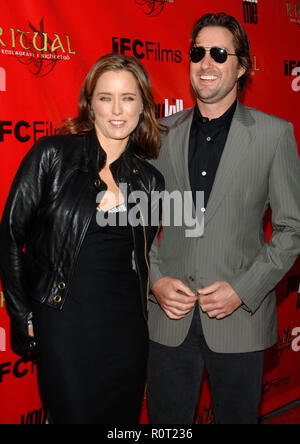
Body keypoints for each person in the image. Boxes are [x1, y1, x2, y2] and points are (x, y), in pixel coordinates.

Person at [147, 12, 300, 425]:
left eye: (219, 53)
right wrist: (155, 280)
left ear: (242, 67)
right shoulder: (160, 133)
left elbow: (292, 230)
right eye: (198, 52)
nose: (206, 63)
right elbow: (135, 222)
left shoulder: (274, 135)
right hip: (168, 319)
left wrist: (243, 289)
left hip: (239, 320)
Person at [0, 54, 165, 424]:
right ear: (90, 105)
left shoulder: (151, 181)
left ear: (143, 106)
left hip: (127, 333)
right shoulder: (53, 156)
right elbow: (10, 235)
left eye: (129, 97)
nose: (117, 109)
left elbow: (139, 259)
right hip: (65, 328)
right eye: (106, 97)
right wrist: (22, 312)